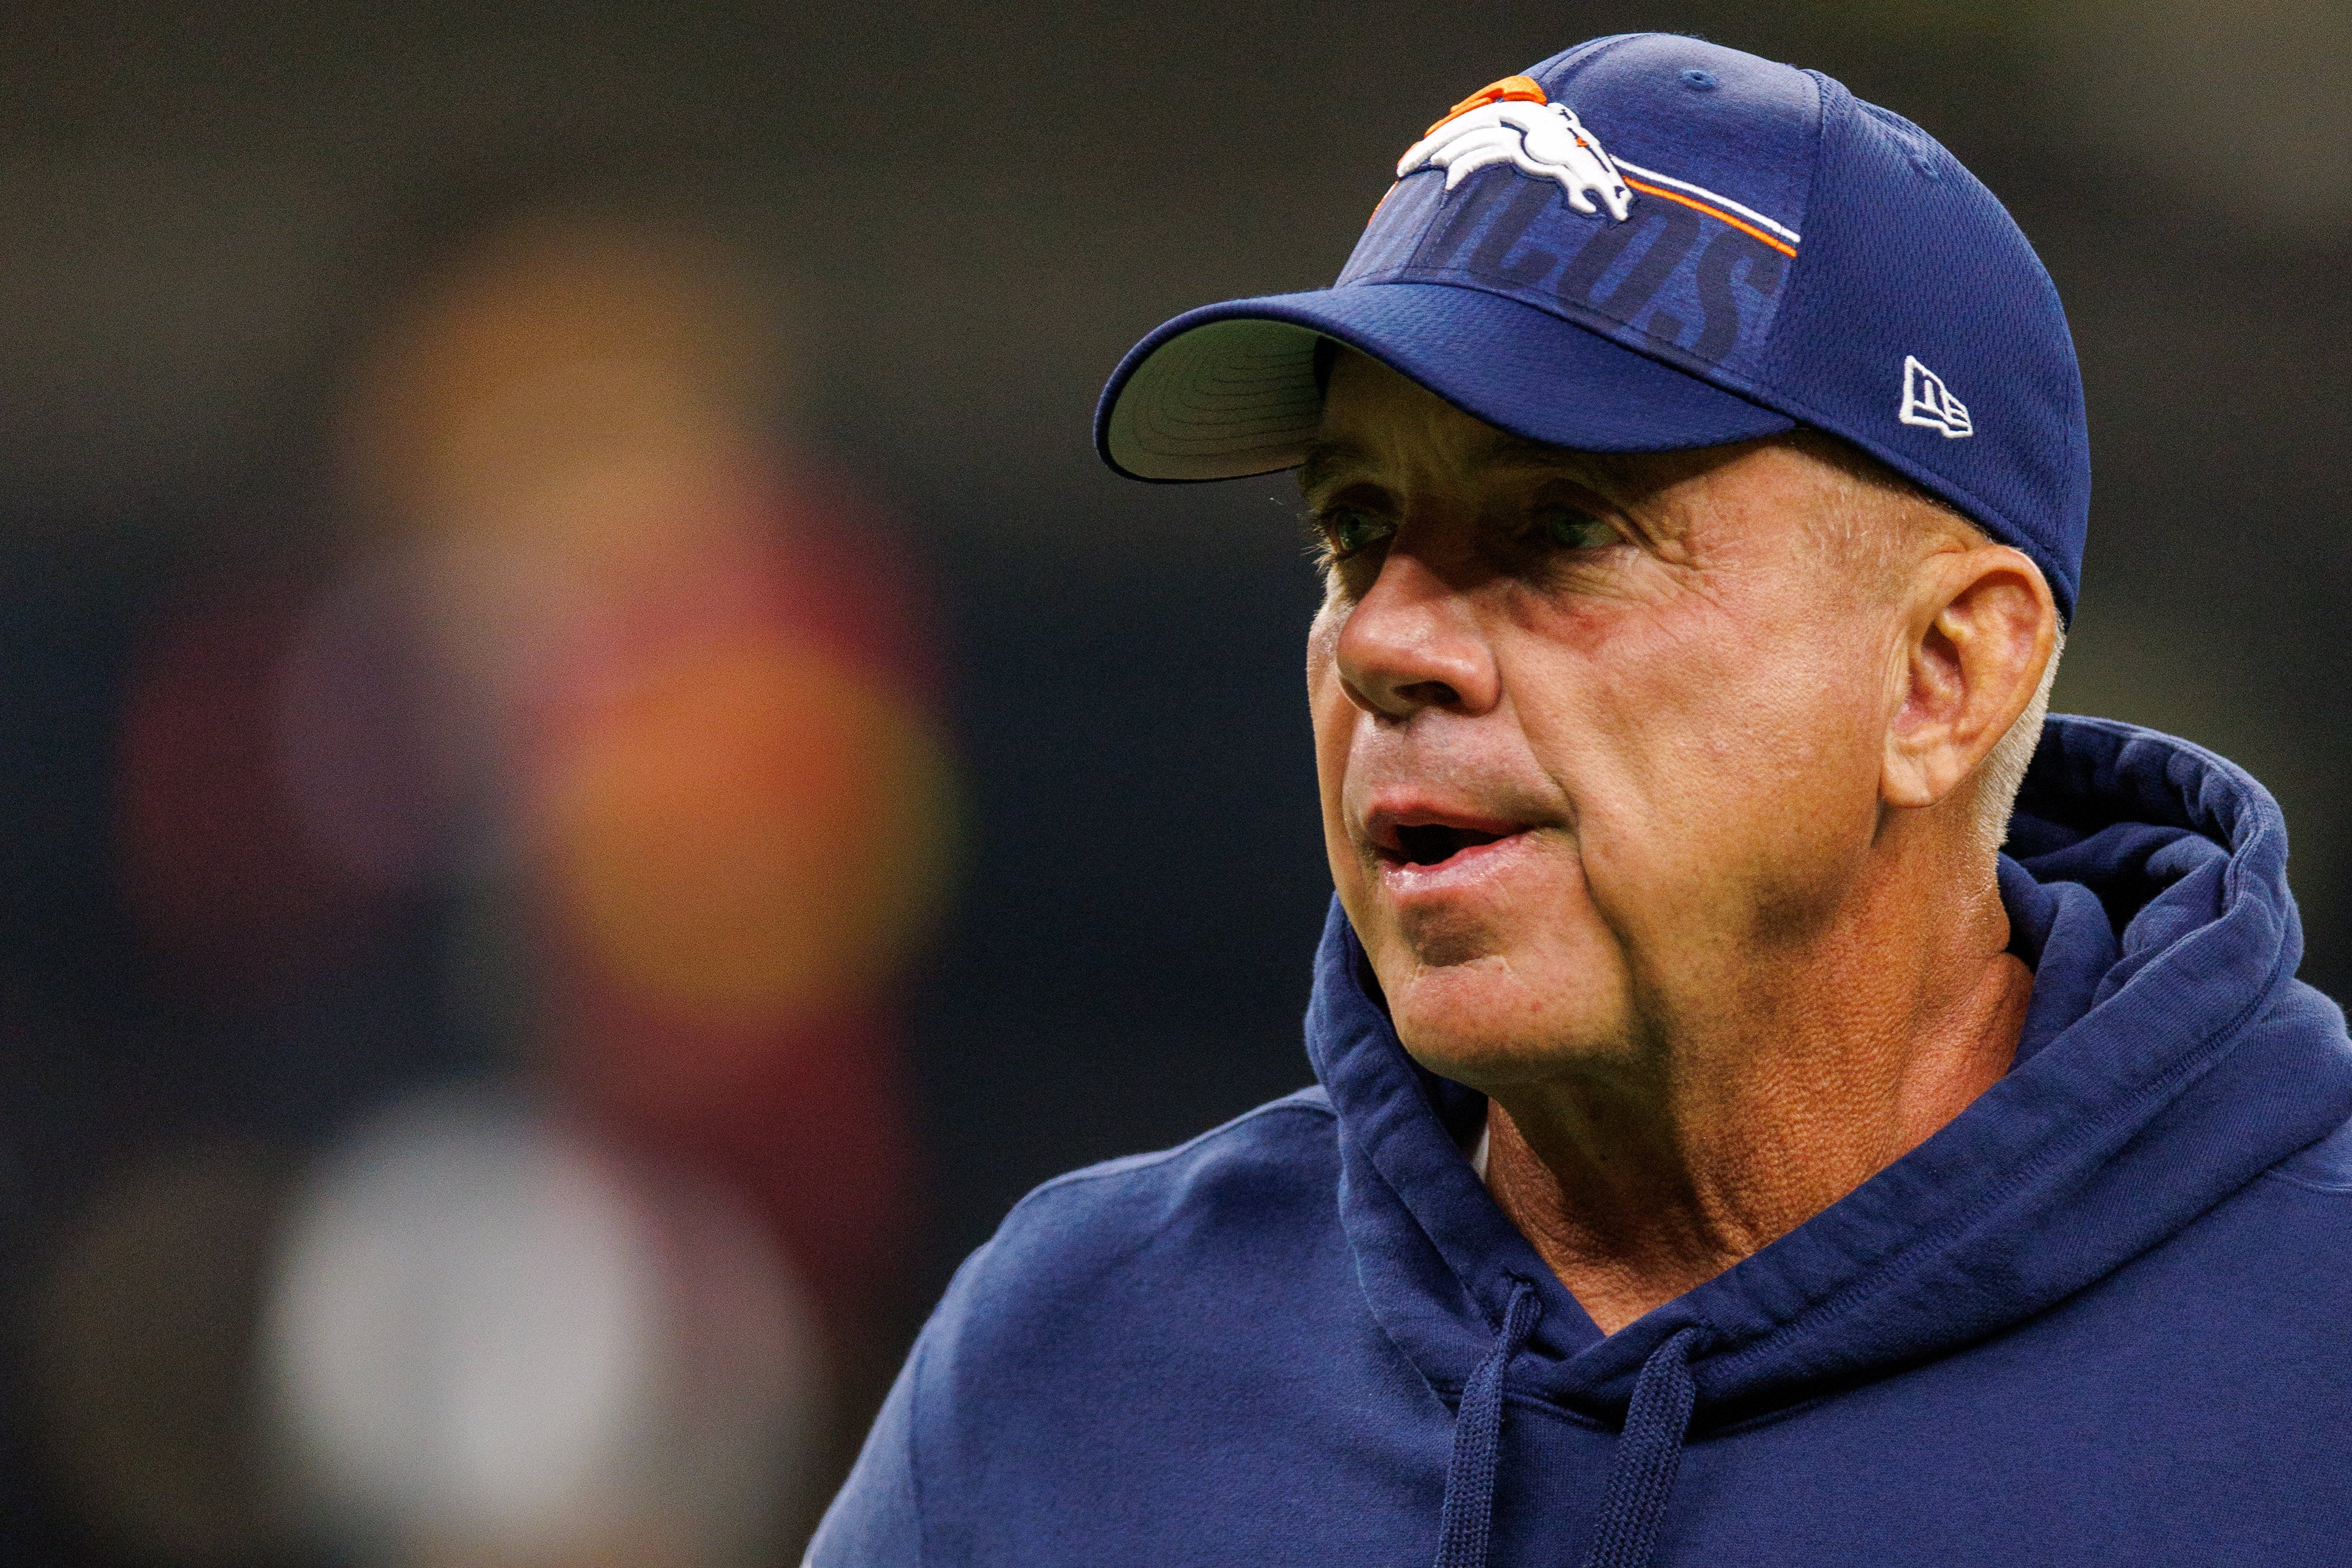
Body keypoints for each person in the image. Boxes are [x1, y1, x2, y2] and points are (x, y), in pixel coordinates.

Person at [811, 33, 2352, 1568]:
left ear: (1941, 674)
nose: (1385, 640)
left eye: (1562, 525)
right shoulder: (1071, 1365)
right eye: (1354, 529)